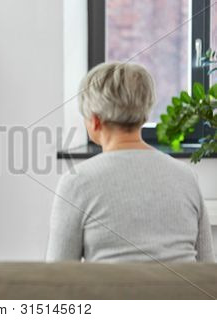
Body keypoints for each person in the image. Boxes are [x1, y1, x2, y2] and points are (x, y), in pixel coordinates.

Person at [46, 62, 215, 263]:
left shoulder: (76, 182)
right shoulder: (187, 177)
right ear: (144, 115)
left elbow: (58, 276)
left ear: (95, 121)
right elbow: (208, 270)